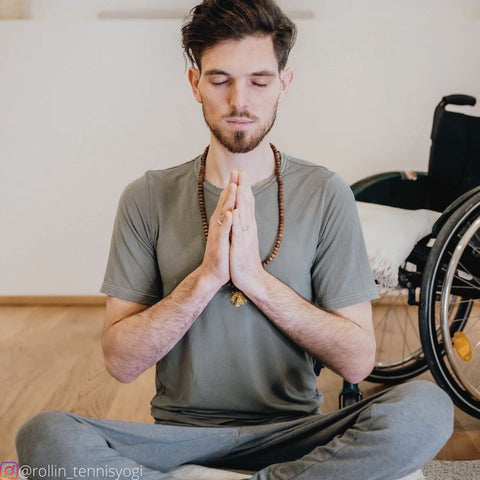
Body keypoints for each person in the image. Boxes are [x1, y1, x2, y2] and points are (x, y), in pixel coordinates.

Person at [16, 1, 453, 479]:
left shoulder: (325, 192)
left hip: (293, 434)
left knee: (426, 407)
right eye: (220, 80)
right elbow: (121, 363)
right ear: (195, 84)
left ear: (284, 84)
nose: (239, 100)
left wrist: (256, 281)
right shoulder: (147, 196)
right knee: (45, 436)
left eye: (259, 82)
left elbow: (357, 359)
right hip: (179, 439)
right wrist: (206, 279)